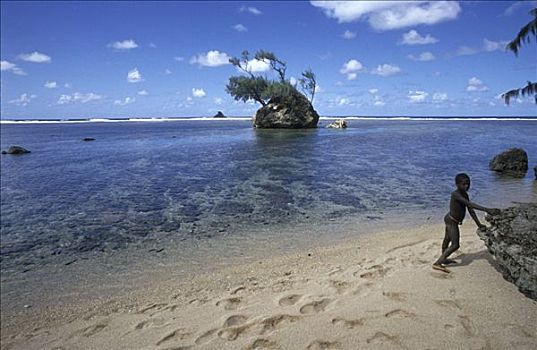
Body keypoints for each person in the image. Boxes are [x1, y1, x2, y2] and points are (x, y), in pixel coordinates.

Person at [432, 173, 500, 273]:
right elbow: (470, 204)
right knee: (455, 245)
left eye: (468, 184)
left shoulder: (465, 195)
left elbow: (471, 210)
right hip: (451, 221)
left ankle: (444, 258)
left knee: (447, 238)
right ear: (457, 184)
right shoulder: (455, 194)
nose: (466, 186)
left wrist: (479, 224)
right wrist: (487, 209)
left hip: (451, 219)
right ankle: (438, 263)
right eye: (463, 184)